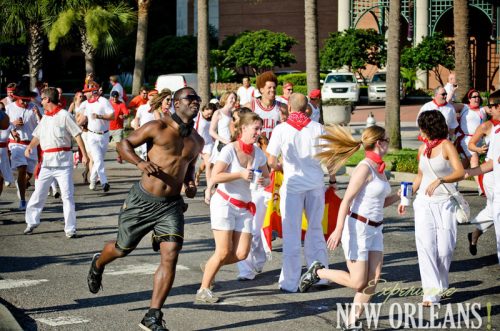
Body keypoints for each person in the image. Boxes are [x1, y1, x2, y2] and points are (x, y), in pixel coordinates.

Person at [87, 87, 203, 330]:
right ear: (176, 103)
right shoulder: (157, 127)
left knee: (170, 254)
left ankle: (152, 315)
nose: (195, 102)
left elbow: (188, 166)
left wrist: (190, 183)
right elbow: (122, 144)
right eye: (190, 98)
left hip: (170, 206)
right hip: (142, 200)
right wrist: (140, 162)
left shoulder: (197, 140)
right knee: (121, 249)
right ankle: (99, 263)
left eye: (198, 99)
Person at [299, 124, 400, 330]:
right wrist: (338, 230)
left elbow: (378, 203)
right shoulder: (364, 168)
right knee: (357, 282)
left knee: (373, 279)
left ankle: (352, 321)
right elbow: (346, 201)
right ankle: (319, 272)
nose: (389, 143)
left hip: (376, 229)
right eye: (387, 140)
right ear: (379, 143)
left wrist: (400, 196)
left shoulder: (380, 169)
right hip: (358, 228)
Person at [196, 111, 270, 303]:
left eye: (260, 128)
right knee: (222, 252)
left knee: (241, 254)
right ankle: (203, 290)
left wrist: (262, 180)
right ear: (243, 128)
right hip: (224, 203)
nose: (258, 132)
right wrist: (240, 174)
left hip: (245, 207)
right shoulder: (229, 149)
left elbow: (267, 177)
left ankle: (210, 265)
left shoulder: (259, 154)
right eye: (256, 128)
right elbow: (215, 177)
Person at [266, 93, 333, 292]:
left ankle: (290, 281)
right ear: (307, 109)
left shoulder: (281, 129)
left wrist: (281, 167)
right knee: (315, 230)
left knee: (292, 233)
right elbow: (329, 158)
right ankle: (320, 276)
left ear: (289, 107)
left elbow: (270, 160)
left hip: (293, 186)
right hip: (315, 184)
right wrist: (333, 179)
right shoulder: (318, 128)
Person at [400, 111, 465, 306]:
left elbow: (460, 172)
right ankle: (431, 294)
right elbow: (419, 177)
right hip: (423, 204)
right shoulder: (422, 149)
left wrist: (441, 179)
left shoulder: (447, 146)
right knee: (426, 247)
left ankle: (441, 285)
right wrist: (405, 198)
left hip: (445, 203)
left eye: (421, 126)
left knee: (445, 249)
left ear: (429, 128)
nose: (420, 130)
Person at [23, 87, 89, 237]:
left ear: (47, 99)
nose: (40, 100)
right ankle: (31, 222)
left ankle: (70, 229)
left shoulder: (64, 115)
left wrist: (84, 155)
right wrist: (29, 147)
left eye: (42, 98)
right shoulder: (45, 117)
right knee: (39, 193)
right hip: (46, 163)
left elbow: (77, 135)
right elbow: (37, 136)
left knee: (67, 196)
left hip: (63, 164)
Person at [466, 90, 500, 265]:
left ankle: (474, 233)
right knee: (496, 210)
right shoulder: (487, 126)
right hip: (491, 174)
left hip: (494, 169)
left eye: (493, 106)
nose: (491, 109)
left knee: (493, 210)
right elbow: (472, 143)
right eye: (491, 106)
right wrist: (478, 150)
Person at [6, 88, 41, 210]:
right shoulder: (9, 108)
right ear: (16, 97)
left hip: (31, 144)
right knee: (22, 168)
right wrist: (13, 125)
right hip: (16, 144)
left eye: (27, 100)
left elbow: (42, 124)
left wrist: (38, 114)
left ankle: (20, 183)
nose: (25, 103)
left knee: (29, 173)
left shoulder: (34, 107)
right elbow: (3, 125)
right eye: (23, 101)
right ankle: (22, 200)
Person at [77, 84, 114, 192]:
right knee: (97, 159)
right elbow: (81, 117)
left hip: (104, 135)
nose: (84, 94)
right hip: (91, 135)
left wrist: (99, 116)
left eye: (86, 91)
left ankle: (92, 181)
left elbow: (113, 116)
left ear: (93, 92)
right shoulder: (85, 104)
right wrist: (74, 126)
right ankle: (104, 182)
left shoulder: (103, 101)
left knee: (99, 160)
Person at [205, 91, 237, 204]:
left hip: (232, 145)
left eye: (235, 98)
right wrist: (223, 140)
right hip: (221, 145)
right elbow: (211, 131)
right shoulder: (218, 113)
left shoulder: (234, 114)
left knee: (228, 170)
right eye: (231, 98)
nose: (233, 100)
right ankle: (208, 190)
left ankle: (222, 194)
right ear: (225, 98)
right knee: (217, 170)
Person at [455, 89, 487, 192]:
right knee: (474, 159)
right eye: (474, 96)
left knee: (464, 164)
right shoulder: (464, 107)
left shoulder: (483, 109)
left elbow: (495, 107)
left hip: (478, 140)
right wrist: (450, 90)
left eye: (478, 96)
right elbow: (449, 106)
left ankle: (452, 181)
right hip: (466, 139)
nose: (477, 98)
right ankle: (481, 187)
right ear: (469, 99)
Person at [243, 71, 287, 140]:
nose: (272, 90)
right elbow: (235, 124)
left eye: (274, 87)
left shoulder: (282, 107)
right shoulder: (250, 106)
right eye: (269, 87)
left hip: (274, 148)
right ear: (262, 89)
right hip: (256, 148)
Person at [132, 89, 158, 160]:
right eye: (152, 95)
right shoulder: (142, 107)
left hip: (154, 134)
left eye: (156, 96)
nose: (154, 97)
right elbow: (137, 118)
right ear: (149, 97)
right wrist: (136, 129)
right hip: (143, 133)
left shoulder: (158, 108)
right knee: (144, 153)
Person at [194, 103, 216, 186]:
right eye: (208, 113)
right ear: (204, 109)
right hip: (198, 143)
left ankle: (208, 185)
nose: (209, 115)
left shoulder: (212, 119)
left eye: (211, 114)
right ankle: (198, 176)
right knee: (207, 164)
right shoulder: (197, 115)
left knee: (208, 164)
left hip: (209, 144)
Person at [109, 91, 130, 163]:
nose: (115, 99)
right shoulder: (108, 104)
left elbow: (126, 113)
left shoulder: (121, 104)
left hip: (118, 128)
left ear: (118, 97)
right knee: (103, 144)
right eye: (113, 97)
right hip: (107, 128)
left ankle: (119, 156)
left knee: (118, 144)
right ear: (111, 97)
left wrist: (123, 116)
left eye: (116, 97)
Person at [0, 103, 13, 195]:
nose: (2, 111)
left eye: (3, 109)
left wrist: (16, 136)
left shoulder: (8, 123)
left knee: (1, 179)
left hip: (3, 153)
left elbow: (14, 132)